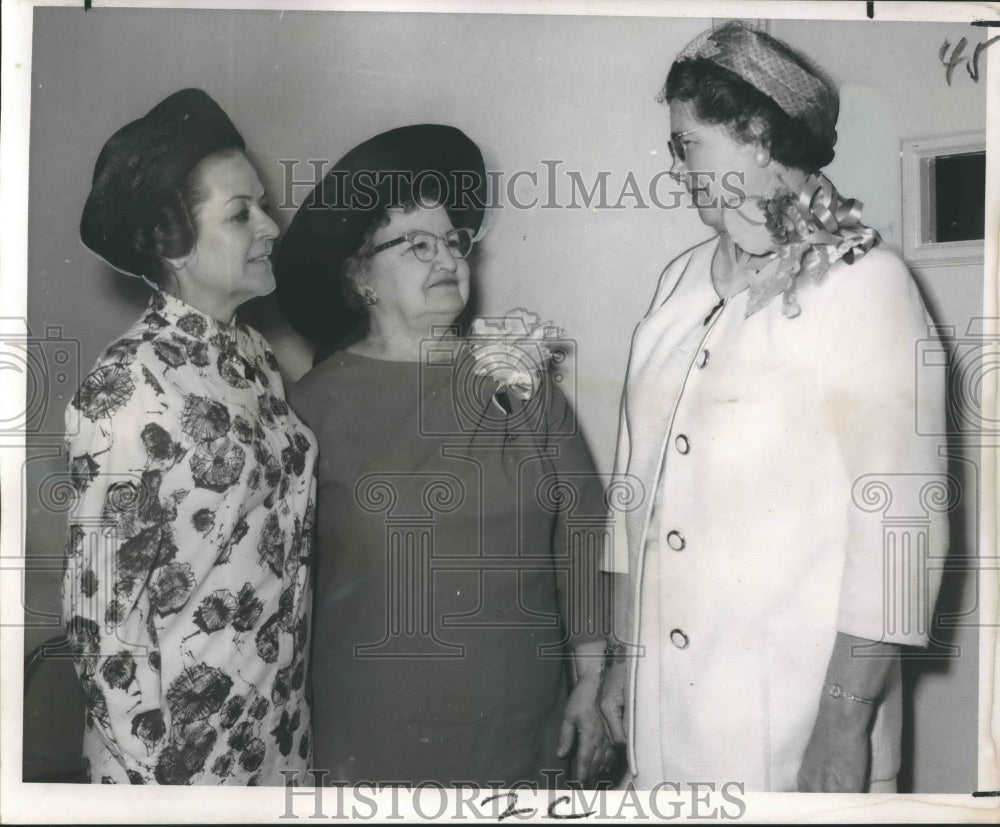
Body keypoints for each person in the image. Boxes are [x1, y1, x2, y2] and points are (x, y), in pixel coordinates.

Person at [598, 22, 948, 792]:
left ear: (756, 135)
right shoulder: (679, 283)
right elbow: (635, 496)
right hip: (668, 723)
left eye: (686, 143)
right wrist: (622, 660)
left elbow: (899, 524)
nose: (676, 166)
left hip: (792, 730)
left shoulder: (865, 283)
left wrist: (844, 722)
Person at [275, 124, 613, 787]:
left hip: (524, 730)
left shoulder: (518, 378)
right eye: (418, 244)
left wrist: (594, 678)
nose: (449, 258)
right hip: (372, 736)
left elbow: (584, 528)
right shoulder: (309, 409)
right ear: (360, 275)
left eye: (455, 242)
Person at [63, 88, 318, 785]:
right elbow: (100, 622)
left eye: (262, 204)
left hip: (274, 730)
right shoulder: (128, 384)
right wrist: (166, 786)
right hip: (177, 762)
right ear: (173, 242)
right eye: (241, 213)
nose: (270, 225)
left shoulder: (255, 356)